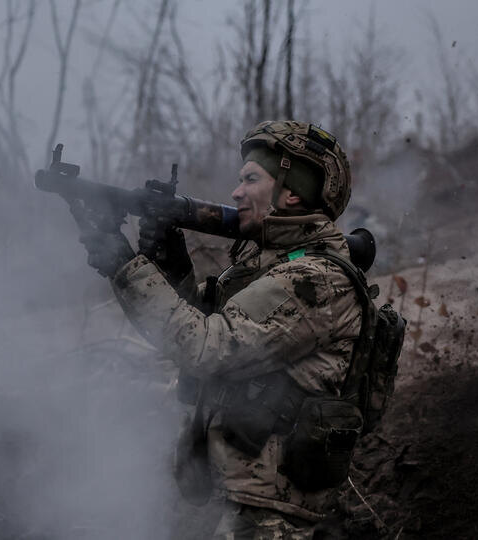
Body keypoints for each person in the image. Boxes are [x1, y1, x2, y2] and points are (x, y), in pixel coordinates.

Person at [73, 120, 364, 538]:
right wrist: (167, 260)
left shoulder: (315, 280)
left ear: (293, 191)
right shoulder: (266, 267)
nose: (236, 192)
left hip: (271, 516)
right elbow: (190, 325)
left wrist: (124, 263)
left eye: (250, 178)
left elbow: (204, 346)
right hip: (238, 498)